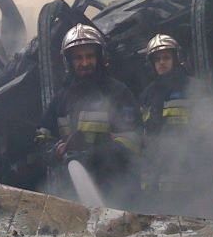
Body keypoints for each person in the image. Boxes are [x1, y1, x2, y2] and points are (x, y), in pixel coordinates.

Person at [36, 24, 140, 203]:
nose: (84, 63)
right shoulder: (61, 98)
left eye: (90, 56)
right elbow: (42, 138)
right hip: (71, 193)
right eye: (78, 58)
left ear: (100, 57)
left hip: (115, 190)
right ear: (69, 62)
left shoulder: (118, 93)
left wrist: (93, 156)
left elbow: (133, 141)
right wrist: (55, 151)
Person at [139, 34, 191, 193]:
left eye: (166, 57)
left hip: (186, 173)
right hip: (154, 176)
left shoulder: (192, 88)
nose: (161, 62)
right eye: (157, 59)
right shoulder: (147, 94)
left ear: (177, 59)